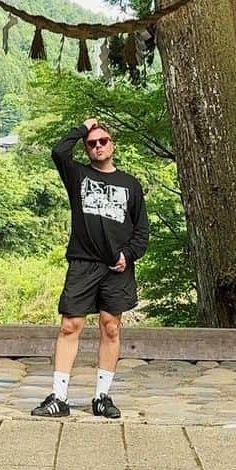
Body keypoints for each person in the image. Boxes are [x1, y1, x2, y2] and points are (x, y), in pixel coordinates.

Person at [31, 117, 149, 420]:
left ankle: (102, 396)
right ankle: (59, 396)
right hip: (83, 263)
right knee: (70, 326)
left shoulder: (130, 184)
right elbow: (59, 152)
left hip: (116, 269)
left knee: (111, 327)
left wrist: (128, 256)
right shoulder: (78, 176)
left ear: (112, 144)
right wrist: (83, 128)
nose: (98, 146)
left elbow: (141, 232)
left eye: (103, 141)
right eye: (92, 143)